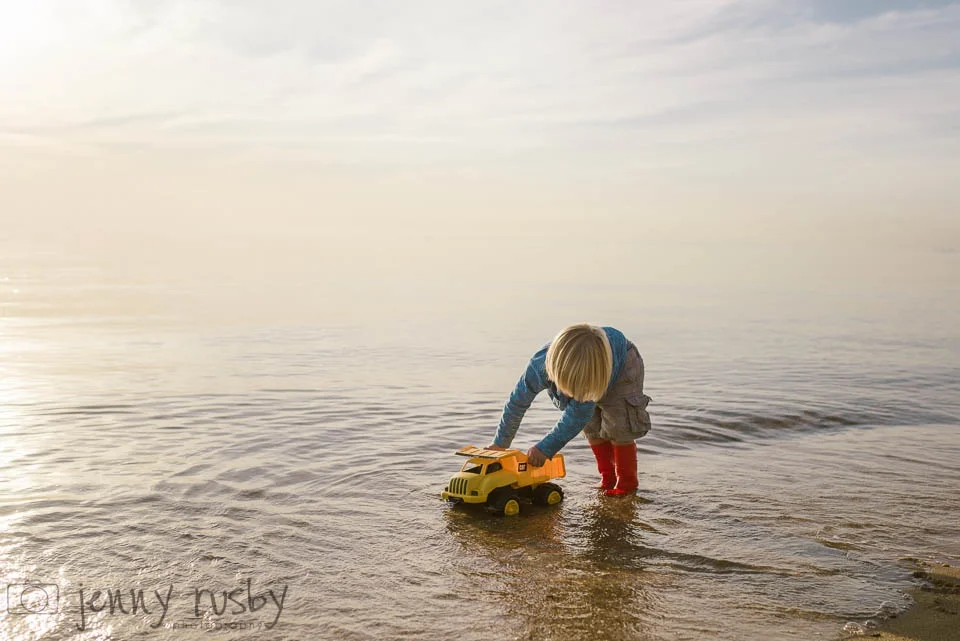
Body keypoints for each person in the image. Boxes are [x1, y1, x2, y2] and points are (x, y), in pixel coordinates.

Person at [487, 323, 651, 496]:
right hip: (590, 363)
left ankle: (627, 483)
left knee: (620, 425)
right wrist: (500, 444)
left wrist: (545, 448)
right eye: (573, 390)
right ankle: (608, 477)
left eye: (583, 391)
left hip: (623, 367)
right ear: (554, 375)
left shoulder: (591, 373)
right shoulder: (537, 369)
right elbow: (516, 404)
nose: (578, 396)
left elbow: (574, 418)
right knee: (591, 427)